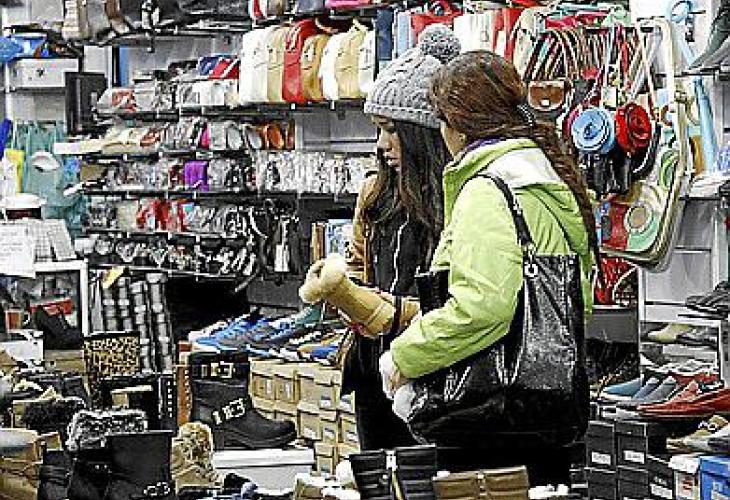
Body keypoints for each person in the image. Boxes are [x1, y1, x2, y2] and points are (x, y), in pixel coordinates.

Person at [380, 50, 597, 482]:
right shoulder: (546, 179)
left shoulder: (488, 190)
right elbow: (577, 299)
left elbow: (482, 307)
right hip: (549, 407)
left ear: (459, 126)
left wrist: (404, 355)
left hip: (487, 417)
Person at [341, 26, 459, 451]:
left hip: (434, 367)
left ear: (421, 133)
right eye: (377, 128)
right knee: (376, 473)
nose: (381, 144)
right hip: (372, 366)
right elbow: (357, 264)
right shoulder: (375, 193)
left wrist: (392, 313)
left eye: (391, 129)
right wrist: (348, 297)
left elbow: (464, 298)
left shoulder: (459, 197)